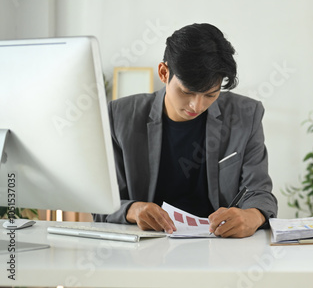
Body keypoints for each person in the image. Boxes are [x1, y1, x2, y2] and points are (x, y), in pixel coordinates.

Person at [94, 23, 278, 238]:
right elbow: (101, 203)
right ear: (164, 73)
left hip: (220, 246)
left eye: (210, 94)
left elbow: (259, 191)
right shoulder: (121, 115)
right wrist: (132, 210)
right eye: (187, 92)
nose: (197, 106)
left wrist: (253, 215)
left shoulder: (246, 114)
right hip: (147, 249)